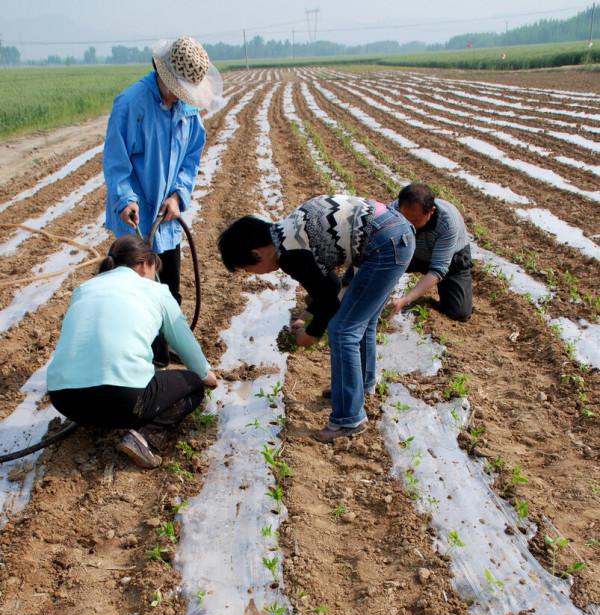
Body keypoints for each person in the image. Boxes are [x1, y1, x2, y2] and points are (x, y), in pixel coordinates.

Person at [218, 195, 415, 442]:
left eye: (248, 269)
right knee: (359, 321)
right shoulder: (286, 232)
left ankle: (349, 419)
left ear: (256, 254)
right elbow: (327, 286)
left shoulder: (290, 254)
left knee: (343, 330)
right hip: (394, 232)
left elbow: (329, 301)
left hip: (386, 243)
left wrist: (310, 335)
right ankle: (359, 387)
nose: (253, 274)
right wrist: (305, 318)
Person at [47, 235, 217, 469]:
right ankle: (146, 438)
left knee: (105, 395)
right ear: (145, 264)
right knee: (193, 384)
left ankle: (101, 418)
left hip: (64, 399)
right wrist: (206, 375)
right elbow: (186, 346)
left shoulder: (84, 288)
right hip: (122, 400)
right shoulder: (156, 291)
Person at [103, 36, 222, 365]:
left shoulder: (187, 110)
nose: (183, 96)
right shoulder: (130, 105)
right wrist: (126, 200)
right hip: (136, 221)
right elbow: (116, 164)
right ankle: (145, 357)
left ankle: (165, 350)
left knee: (169, 289)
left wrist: (177, 195)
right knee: (139, 293)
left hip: (166, 219)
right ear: (163, 73)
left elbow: (191, 159)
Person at [388, 183, 472, 322]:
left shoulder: (447, 222)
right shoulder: (393, 209)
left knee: (459, 313)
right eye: (404, 218)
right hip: (411, 252)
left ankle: (426, 299)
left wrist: (405, 299)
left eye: (415, 220)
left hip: (450, 258)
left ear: (431, 211)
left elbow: (438, 269)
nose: (408, 224)